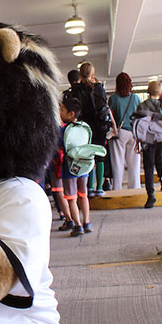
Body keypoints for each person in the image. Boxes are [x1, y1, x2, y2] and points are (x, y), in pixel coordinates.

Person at [69, 62, 116, 197]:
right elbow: (104, 107)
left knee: (87, 155)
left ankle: (89, 187)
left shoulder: (76, 90)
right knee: (100, 156)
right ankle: (99, 187)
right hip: (100, 126)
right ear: (93, 74)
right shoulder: (98, 88)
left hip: (85, 127)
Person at [135, 80, 162, 209]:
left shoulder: (141, 106)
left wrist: (137, 141)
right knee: (159, 161)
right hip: (160, 138)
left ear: (148, 91)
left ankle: (150, 195)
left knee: (148, 166)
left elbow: (137, 126)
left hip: (147, 140)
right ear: (160, 93)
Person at [60, 97, 92, 237]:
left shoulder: (64, 130)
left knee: (71, 198)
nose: (60, 112)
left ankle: (78, 225)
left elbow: (58, 146)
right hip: (84, 165)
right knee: (83, 195)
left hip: (69, 167)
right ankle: (87, 222)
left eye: (62, 110)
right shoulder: (85, 127)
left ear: (71, 113)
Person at [108, 73, 142, 190]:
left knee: (117, 163)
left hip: (119, 132)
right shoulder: (136, 98)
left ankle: (117, 188)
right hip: (134, 132)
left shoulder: (113, 98)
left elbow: (110, 115)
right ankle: (135, 187)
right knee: (134, 163)